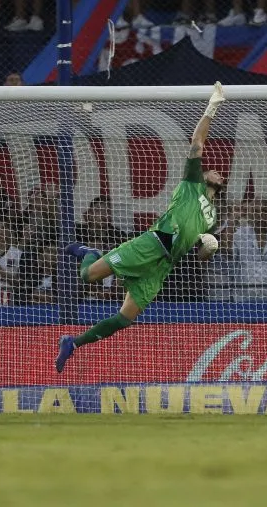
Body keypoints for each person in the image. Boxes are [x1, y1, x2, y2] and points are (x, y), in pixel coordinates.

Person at [56, 83, 227, 372]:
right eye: (212, 169)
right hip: (152, 243)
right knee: (88, 275)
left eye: (220, 173)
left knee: (126, 318)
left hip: (163, 265)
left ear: (220, 186)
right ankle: (89, 251)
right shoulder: (192, 185)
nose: (215, 170)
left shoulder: (212, 217)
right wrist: (212, 107)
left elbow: (195, 251)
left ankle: (73, 343)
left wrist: (207, 249)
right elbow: (197, 143)